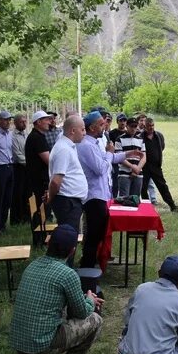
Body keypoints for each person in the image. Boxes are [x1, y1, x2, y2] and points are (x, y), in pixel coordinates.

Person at [10, 224, 104, 354]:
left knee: (58, 307)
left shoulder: (32, 265)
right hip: (41, 344)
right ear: (73, 250)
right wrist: (90, 300)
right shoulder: (68, 274)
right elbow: (81, 312)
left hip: (19, 342)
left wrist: (83, 298)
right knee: (95, 320)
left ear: (48, 243)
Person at [77, 110, 127, 270]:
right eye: (101, 124)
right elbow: (100, 168)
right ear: (92, 127)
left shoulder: (94, 143)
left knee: (97, 235)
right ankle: (87, 268)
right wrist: (109, 153)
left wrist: (128, 154)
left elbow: (109, 159)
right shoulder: (86, 145)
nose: (104, 126)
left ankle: (91, 265)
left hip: (101, 195)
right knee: (93, 236)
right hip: (94, 197)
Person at [47, 114, 90, 240]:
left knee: (70, 238)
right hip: (67, 202)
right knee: (68, 240)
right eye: (82, 129)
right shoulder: (63, 149)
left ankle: (67, 259)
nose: (84, 133)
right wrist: (50, 198)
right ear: (72, 130)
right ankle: (66, 260)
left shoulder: (69, 146)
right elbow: (55, 181)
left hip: (71, 201)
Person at [141, 117, 178, 212]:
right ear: (144, 127)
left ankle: (172, 206)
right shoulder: (140, 137)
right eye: (149, 126)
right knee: (143, 188)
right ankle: (147, 208)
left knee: (163, 186)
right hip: (144, 167)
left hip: (156, 167)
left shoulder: (159, 136)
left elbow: (161, 147)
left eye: (152, 125)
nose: (151, 128)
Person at [24, 110, 54, 233]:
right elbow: (49, 160)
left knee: (41, 211)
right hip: (38, 181)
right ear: (38, 122)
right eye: (46, 119)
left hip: (38, 180)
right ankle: (39, 238)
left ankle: (41, 235)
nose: (49, 122)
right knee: (39, 210)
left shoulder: (38, 136)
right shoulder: (37, 138)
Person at [114, 117, 147, 199]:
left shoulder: (140, 140)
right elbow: (119, 156)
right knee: (124, 199)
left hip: (138, 173)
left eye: (135, 126)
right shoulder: (119, 139)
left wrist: (137, 169)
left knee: (135, 199)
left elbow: (144, 157)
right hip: (124, 173)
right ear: (127, 126)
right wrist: (132, 167)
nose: (133, 128)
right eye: (131, 126)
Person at [10, 113, 29, 226]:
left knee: (26, 193)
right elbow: (17, 154)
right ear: (15, 123)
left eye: (25, 121)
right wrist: (29, 162)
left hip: (27, 168)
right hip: (19, 167)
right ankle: (16, 218)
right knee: (18, 193)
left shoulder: (26, 135)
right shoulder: (13, 137)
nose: (24, 123)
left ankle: (26, 216)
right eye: (21, 122)